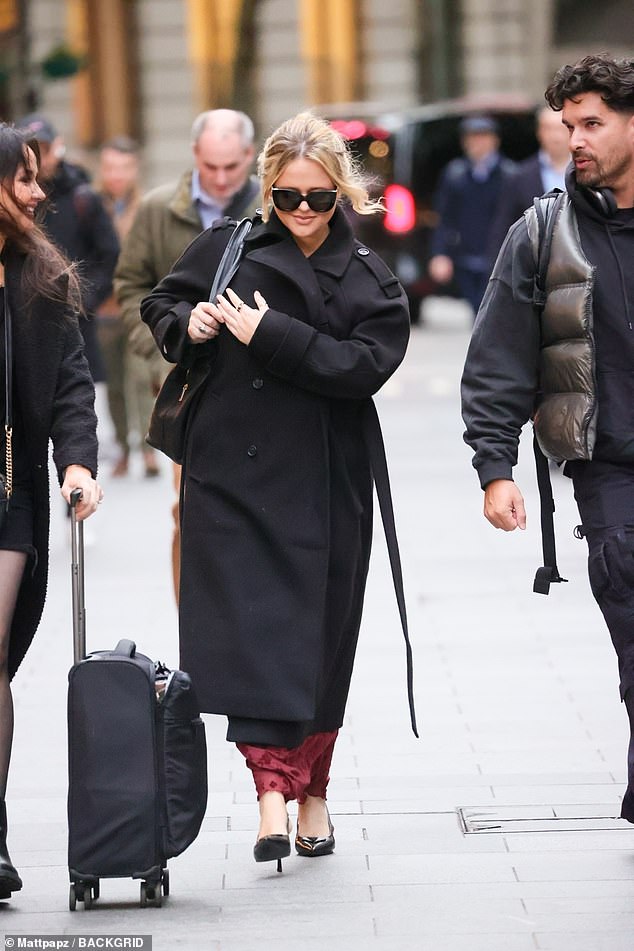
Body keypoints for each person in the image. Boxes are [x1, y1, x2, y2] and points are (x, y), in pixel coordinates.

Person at [141, 112, 411, 870]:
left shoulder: (368, 275)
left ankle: (312, 792)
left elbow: (366, 366)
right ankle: (269, 795)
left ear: (343, 194)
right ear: (268, 189)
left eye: (319, 199)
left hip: (329, 482)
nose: (301, 211)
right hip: (231, 476)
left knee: (321, 643)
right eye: (287, 196)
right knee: (255, 639)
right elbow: (158, 302)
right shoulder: (228, 246)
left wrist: (273, 338)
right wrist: (188, 322)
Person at [461, 53, 634, 827]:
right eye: (569, 126)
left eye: (592, 123)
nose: (576, 140)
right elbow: (497, 358)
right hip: (613, 474)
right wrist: (495, 468)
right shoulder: (542, 232)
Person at [0, 124, 102, 899]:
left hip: (8, 492)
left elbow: (71, 381)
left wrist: (77, 461)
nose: (39, 192)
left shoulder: (37, 274)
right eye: (22, 178)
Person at [115, 109, 260, 598]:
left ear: (248, 157)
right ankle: (194, 632)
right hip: (184, 390)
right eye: (211, 166)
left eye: (232, 168)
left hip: (258, 391)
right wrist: (163, 352)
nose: (220, 179)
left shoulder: (274, 203)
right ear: (195, 155)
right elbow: (132, 289)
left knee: (257, 512)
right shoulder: (158, 209)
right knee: (191, 510)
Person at [14, 114, 119, 386]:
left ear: (58, 148)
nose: (41, 159)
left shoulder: (83, 197)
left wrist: (84, 299)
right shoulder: (12, 201)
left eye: (45, 150)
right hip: (27, 327)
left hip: (77, 325)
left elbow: (109, 255)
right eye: (33, 151)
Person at [95, 136, 160, 477]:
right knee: (115, 385)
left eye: (123, 167)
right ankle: (122, 446)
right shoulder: (92, 206)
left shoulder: (148, 206)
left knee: (141, 380)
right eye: (110, 168)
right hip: (105, 310)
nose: (116, 175)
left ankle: (149, 449)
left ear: (134, 170)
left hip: (138, 307)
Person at [428, 115, 516, 318]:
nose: (478, 143)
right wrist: (440, 254)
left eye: (483, 137)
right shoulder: (454, 174)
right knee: (477, 311)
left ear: (495, 140)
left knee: (492, 312)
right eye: (472, 138)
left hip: (499, 256)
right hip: (466, 257)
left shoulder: (510, 175)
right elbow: (445, 217)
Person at [488, 105, 571, 259]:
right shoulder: (519, 177)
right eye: (548, 128)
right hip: (533, 266)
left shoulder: (588, 173)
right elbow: (503, 228)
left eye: (561, 128)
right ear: (539, 132)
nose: (555, 136)